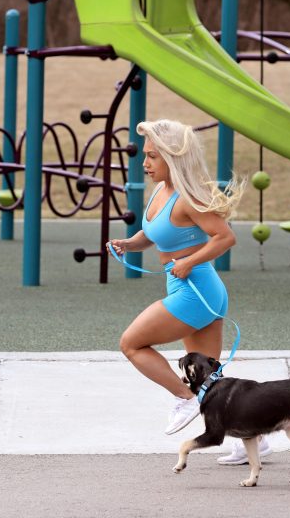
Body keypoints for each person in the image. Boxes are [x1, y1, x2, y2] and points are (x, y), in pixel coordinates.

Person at [108, 119, 270, 464]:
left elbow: (225, 237)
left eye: (152, 156)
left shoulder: (188, 198)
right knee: (211, 378)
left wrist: (188, 261)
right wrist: (129, 244)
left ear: (173, 158)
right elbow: (153, 235)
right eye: (146, 156)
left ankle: (184, 398)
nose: (145, 163)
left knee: (131, 343)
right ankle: (249, 438)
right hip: (197, 289)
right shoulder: (161, 191)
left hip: (196, 291)